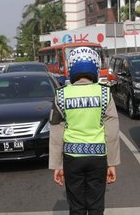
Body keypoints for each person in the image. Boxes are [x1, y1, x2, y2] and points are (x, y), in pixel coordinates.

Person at [49, 46, 120, 215]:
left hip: (72, 158)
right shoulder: (104, 94)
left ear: (71, 67)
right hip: (98, 157)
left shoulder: (61, 95)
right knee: (96, 206)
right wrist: (111, 163)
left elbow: (56, 132)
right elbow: (111, 131)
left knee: (76, 207)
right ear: (95, 66)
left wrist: (57, 165)